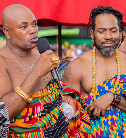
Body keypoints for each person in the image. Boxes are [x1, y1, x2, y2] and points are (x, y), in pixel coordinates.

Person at [62, 5, 126, 137]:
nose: (108, 36)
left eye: (113, 31)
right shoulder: (75, 67)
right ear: (92, 34)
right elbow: (68, 118)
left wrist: (113, 98)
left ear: (120, 33)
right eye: (101, 31)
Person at [0, 4, 90, 137]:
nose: (33, 30)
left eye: (34, 24)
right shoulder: (2, 62)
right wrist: (37, 72)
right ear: (7, 32)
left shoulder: (41, 53)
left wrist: (65, 97)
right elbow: (4, 114)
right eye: (24, 27)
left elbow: (53, 92)